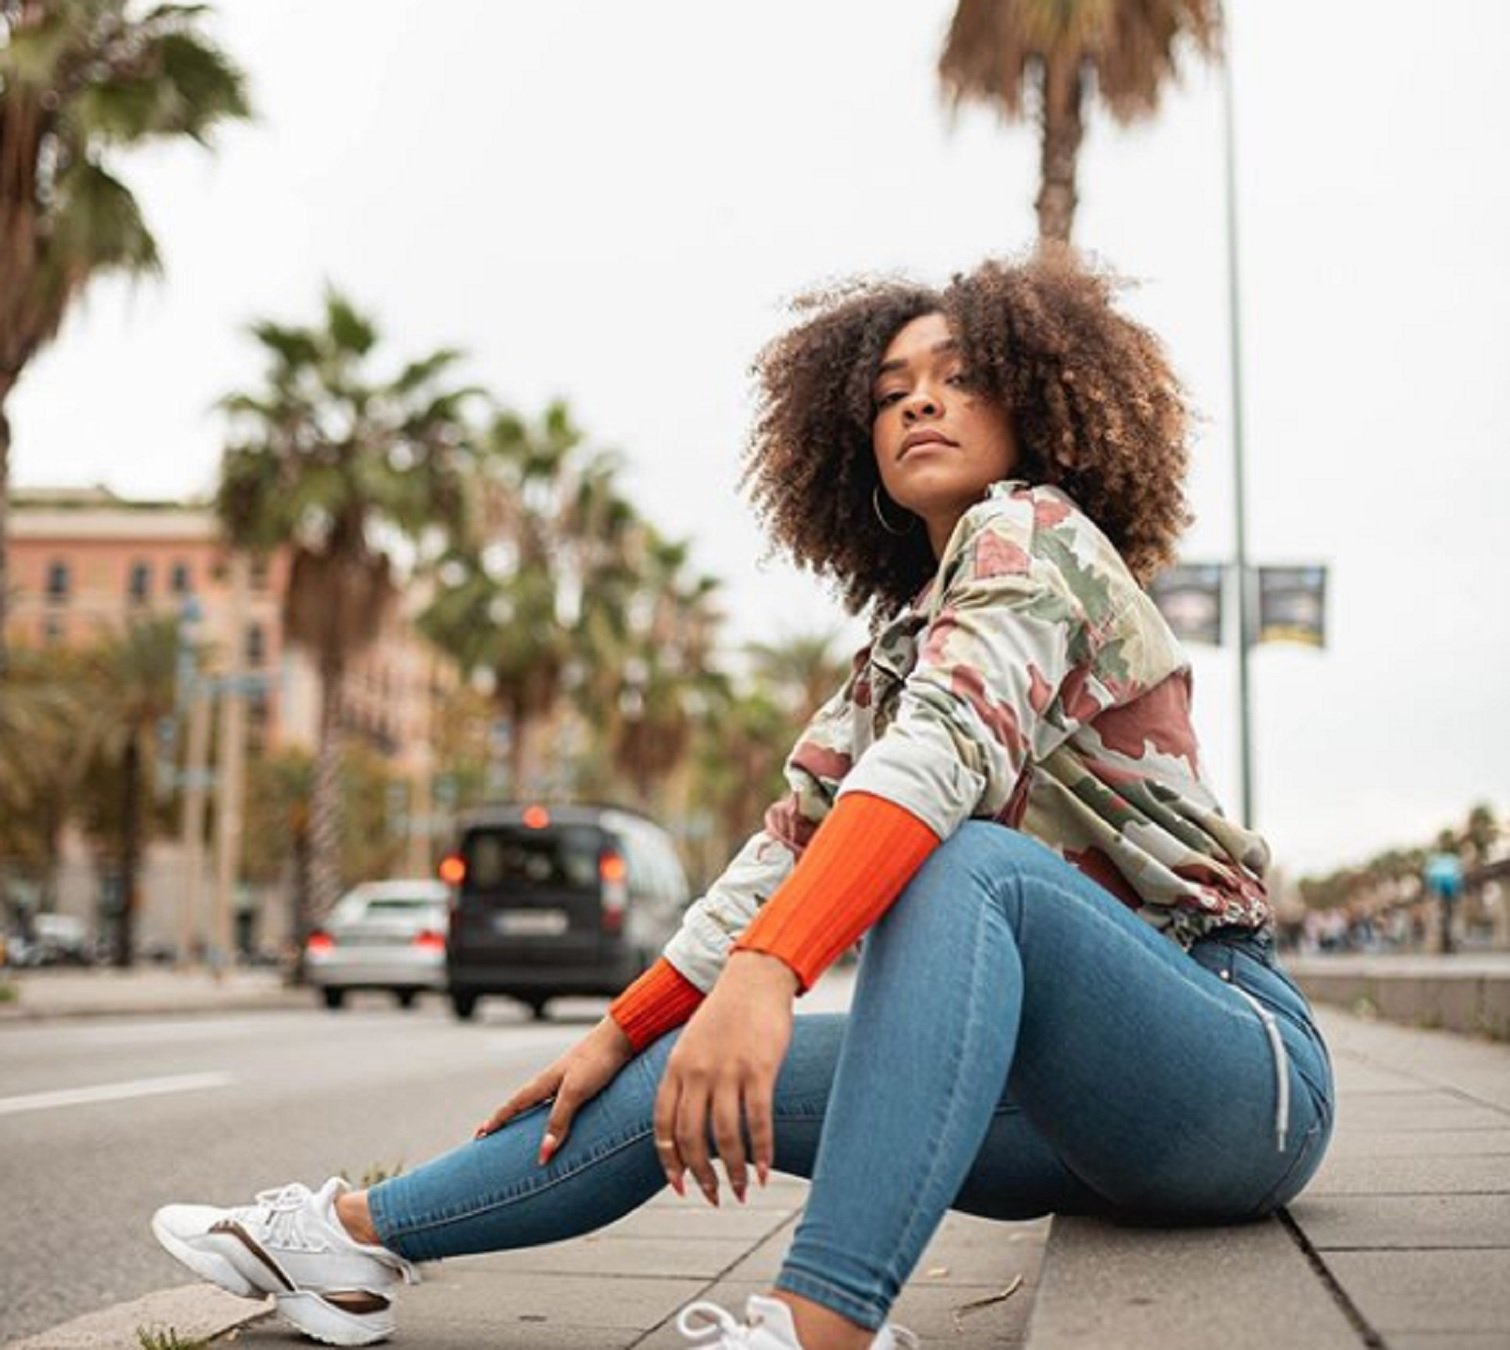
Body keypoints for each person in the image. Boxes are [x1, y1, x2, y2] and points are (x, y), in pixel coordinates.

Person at [150, 248, 1335, 1350]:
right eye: (889, 391)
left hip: (1232, 1072)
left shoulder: (1039, 536)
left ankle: (818, 1325)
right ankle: (347, 1246)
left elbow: (940, 756)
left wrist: (767, 976)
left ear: (1030, 402)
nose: (918, 403)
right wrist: (629, 1024)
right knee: (668, 1076)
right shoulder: (901, 645)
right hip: (1061, 1119)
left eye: (959, 378)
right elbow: (791, 844)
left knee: (966, 862)